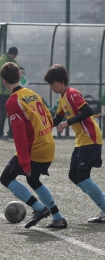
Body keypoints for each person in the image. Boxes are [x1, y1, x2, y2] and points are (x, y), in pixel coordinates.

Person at [0, 62, 67, 229]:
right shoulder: (31, 93)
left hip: (35, 147)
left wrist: (24, 162)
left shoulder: (12, 101)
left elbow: (20, 136)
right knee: (33, 180)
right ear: (20, 76)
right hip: (48, 143)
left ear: (3, 81)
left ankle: (39, 208)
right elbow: (49, 117)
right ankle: (58, 217)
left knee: (6, 178)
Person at [44, 64, 105, 223]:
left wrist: (68, 123)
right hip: (81, 140)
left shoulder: (72, 94)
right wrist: (40, 128)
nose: (51, 87)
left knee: (83, 176)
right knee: (74, 175)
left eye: (53, 84)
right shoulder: (63, 97)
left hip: (90, 138)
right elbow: (57, 119)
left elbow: (88, 112)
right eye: (50, 84)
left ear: (61, 81)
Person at [0, 47, 25, 139]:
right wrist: (18, 71)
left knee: (12, 112)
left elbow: (23, 70)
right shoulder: (2, 60)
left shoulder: (14, 61)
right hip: (3, 91)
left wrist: (21, 71)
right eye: (14, 55)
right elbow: (5, 72)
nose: (15, 57)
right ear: (11, 54)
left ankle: (11, 133)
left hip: (12, 91)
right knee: (2, 112)